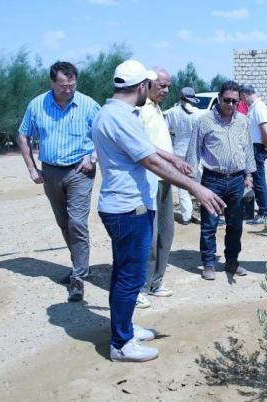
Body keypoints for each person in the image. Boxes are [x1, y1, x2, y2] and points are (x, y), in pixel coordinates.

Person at [92, 59, 225, 362]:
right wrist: (196, 187)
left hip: (126, 205)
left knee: (123, 273)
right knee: (130, 277)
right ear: (141, 87)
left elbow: (149, 150)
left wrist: (173, 159)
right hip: (128, 208)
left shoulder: (114, 112)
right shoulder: (121, 117)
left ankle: (124, 328)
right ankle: (121, 344)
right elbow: (148, 161)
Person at [17, 61, 100, 303]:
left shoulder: (88, 105)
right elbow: (22, 135)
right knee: (64, 222)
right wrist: (32, 169)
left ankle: (78, 278)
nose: (68, 89)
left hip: (80, 171)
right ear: (52, 82)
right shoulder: (37, 105)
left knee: (77, 222)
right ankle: (80, 265)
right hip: (51, 171)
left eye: (72, 85)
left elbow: (104, 135)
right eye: (63, 85)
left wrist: (92, 158)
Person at [186, 80, 256, 281]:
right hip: (212, 180)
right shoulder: (204, 121)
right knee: (209, 224)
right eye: (227, 100)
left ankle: (232, 262)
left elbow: (248, 150)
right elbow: (193, 152)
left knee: (235, 225)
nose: (231, 105)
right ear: (219, 98)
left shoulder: (243, 121)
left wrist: (249, 176)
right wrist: (192, 182)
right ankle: (208, 263)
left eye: (235, 101)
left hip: (236, 180)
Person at [135, 67, 175, 309]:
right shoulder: (140, 110)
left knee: (166, 233)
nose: (166, 90)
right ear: (148, 84)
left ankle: (156, 282)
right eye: (162, 86)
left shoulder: (155, 108)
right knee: (148, 237)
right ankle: (139, 287)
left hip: (165, 178)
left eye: (168, 86)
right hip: (149, 180)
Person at [165, 87, 202, 225]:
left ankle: (186, 216)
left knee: (182, 185)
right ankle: (203, 213)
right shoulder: (199, 114)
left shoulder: (171, 112)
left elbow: (167, 131)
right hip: (195, 153)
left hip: (179, 151)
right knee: (199, 183)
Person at [241, 84, 267, 225]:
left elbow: (265, 131)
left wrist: (266, 147)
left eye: (241, 97)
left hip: (257, 147)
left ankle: (263, 213)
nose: (241, 100)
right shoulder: (254, 108)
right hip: (253, 147)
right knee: (256, 180)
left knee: (259, 180)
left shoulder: (259, 108)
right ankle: (262, 210)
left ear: (245, 94)